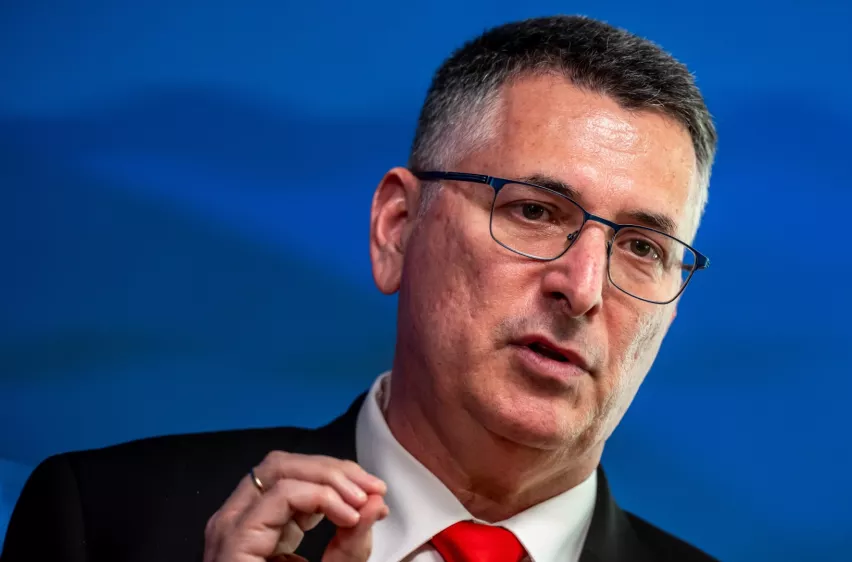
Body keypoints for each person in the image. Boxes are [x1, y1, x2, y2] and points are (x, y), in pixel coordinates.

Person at [1, 14, 718, 562]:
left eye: (641, 248)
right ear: (397, 228)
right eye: (534, 211)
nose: (583, 287)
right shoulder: (104, 521)